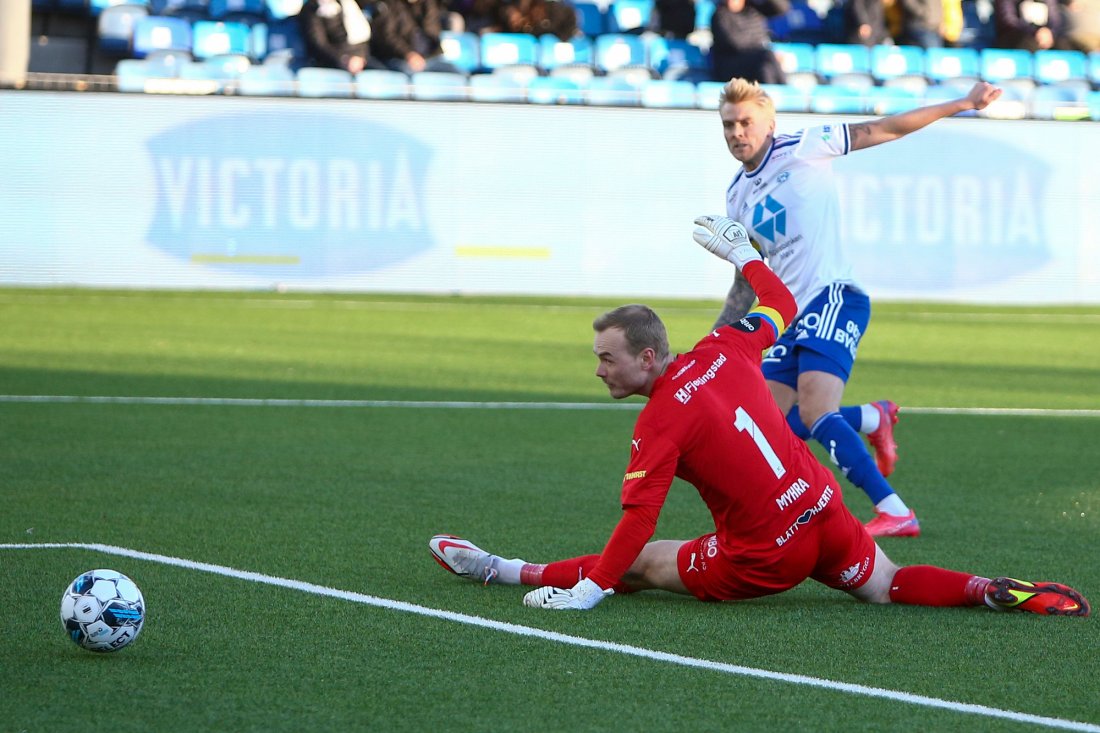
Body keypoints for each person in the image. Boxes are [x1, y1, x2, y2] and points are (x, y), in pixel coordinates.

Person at [428, 216, 1090, 617]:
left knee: (644, 561)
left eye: (607, 357)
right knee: (887, 583)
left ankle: (501, 568)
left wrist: (592, 589)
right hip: (826, 511)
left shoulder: (659, 421)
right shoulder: (730, 345)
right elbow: (779, 296)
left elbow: (638, 523)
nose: (599, 368)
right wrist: (742, 252)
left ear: (647, 355)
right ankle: (986, 589)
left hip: (764, 554)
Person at [704, 78, 1002, 537]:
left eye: (746, 122)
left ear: (769, 123)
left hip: (834, 295)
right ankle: (870, 417)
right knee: (771, 429)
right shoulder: (735, 195)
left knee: (816, 411)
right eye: (729, 125)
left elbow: (884, 129)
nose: (737, 132)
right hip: (788, 317)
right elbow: (746, 277)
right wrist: (719, 340)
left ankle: (895, 510)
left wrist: (962, 103)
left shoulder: (804, 146)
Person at [369, 0, 463, 75]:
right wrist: (409, 54)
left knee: (458, 74)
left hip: (429, 57)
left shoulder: (428, 5)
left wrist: (423, 7)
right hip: (399, 58)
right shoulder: (389, 4)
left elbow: (433, 31)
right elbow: (388, 36)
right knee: (411, 72)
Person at [707, 0, 789, 85]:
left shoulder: (753, 10)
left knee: (766, 66)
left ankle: (782, 92)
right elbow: (735, 43)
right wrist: (758, 49)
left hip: (757, 61)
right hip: (730, 65)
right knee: (766, 57)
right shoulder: (720, 15)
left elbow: (781, 8)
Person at [298, 0, 381, 74]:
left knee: (382, 74)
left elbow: (363, 40)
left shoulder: (348, 4)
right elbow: (318, 43)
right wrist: (342, 59)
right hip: (334, 61)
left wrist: (361, 57)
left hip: (360, 58)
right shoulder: (311, 8)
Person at [993, 0, 1064, 49]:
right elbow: (1009, 20)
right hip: (1018, 35)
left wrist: (1050, 32)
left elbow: (1055, 19)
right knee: (1029, 44)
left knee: (1063, 46)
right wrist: (1034, 32)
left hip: (1045, 35)